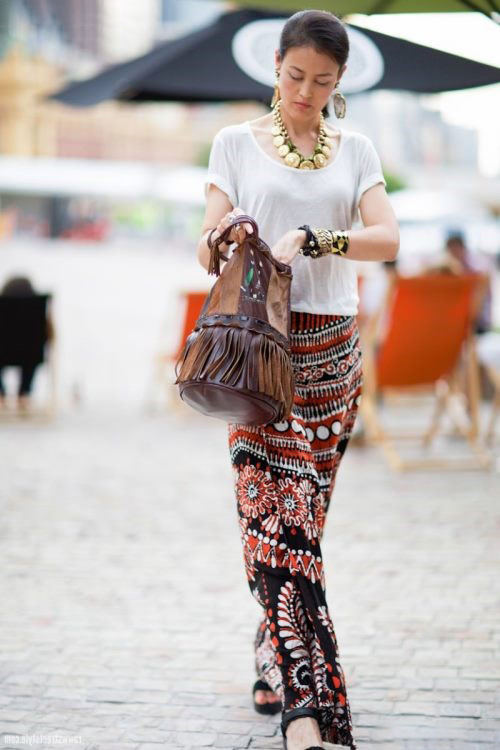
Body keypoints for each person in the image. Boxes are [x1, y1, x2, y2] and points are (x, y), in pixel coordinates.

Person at [197, 10, 399, 750]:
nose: (305, 92)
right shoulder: (234, 142)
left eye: (321, 81)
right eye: (294, 76)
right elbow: (204, 247)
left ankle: (271, 654)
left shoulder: (357, 149)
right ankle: (308, 714)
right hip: (260, 354)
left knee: (301, 528)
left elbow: (388, 238)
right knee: (274, 527)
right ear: (275, 66)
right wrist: (224, 236)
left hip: (333, 356)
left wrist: (319, 238)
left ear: (339, 81)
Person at [0, 275, 54, 413]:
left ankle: (1, 395)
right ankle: (24, 393)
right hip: (30, 353)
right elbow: (49, 334)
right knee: (30, 354)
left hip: (3, 352)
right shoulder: (36, 307)